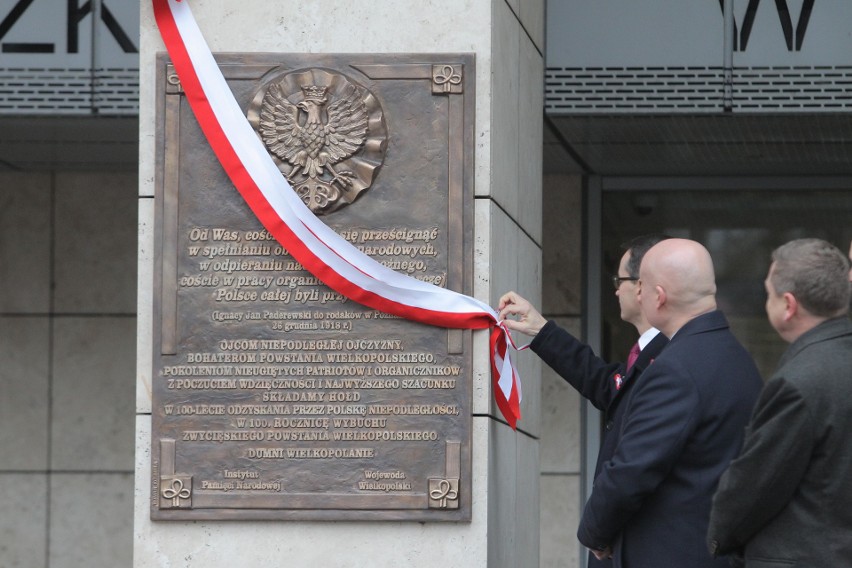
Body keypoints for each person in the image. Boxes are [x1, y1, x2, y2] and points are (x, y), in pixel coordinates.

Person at [570, 238, 761, 567]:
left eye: (640, 285)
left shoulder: (676, 369)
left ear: (659, 297)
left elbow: (631, 471)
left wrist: (593, 532)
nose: (636, 293)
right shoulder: (737, 359)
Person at [498, 234, 670, 568]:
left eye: (619, 280)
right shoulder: (652, 353)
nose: (615, 289)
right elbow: (606, 383)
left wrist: (595, 531)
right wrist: (542, 330)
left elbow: (634, 470)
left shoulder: (669, 359)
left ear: (641, 287)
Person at [707, 238, 852, 567]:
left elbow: (753, 488)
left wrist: (719, 538)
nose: (765, 302)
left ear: (788, 305)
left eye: (767, 293)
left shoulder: (797, 383)